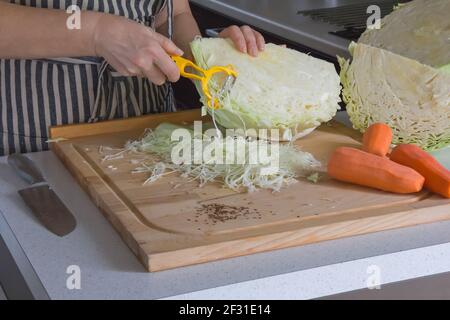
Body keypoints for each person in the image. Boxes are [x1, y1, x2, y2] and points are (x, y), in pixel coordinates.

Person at [0, 0, 265, 155]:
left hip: (150, 141)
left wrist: (208, 58)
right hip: (35, 150)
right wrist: (95, 32)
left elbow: (172, 14)